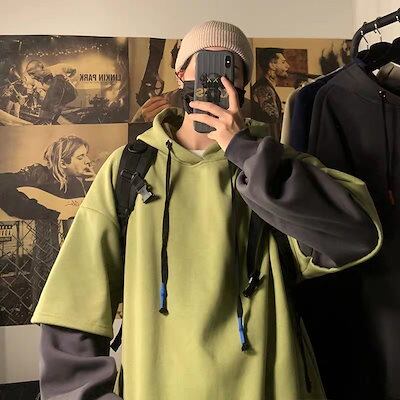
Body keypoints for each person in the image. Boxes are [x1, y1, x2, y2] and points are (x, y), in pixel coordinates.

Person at [31, 20, 382, 400]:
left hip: (269, 385)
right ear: (180, 73)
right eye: (206, 63)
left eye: (231, 67)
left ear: (244, 82)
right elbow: (74, 302)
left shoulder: (276, 164)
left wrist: (244, 151)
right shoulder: (129, 169)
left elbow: (356, 235)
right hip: (158, 386)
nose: (218, 78)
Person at [0, 135, 94, 221]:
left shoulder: (76, 184)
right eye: (80, 157)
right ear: (63, 163)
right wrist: (49, 215)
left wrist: (94, 187)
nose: (88, 161)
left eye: (86, 155)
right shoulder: (37, 173)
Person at [251, 48, 290, 141]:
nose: (288, 66)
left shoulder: (266, 86)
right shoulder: (264, 88)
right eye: (283, 62)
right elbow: (273, 119)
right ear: (272, 65)